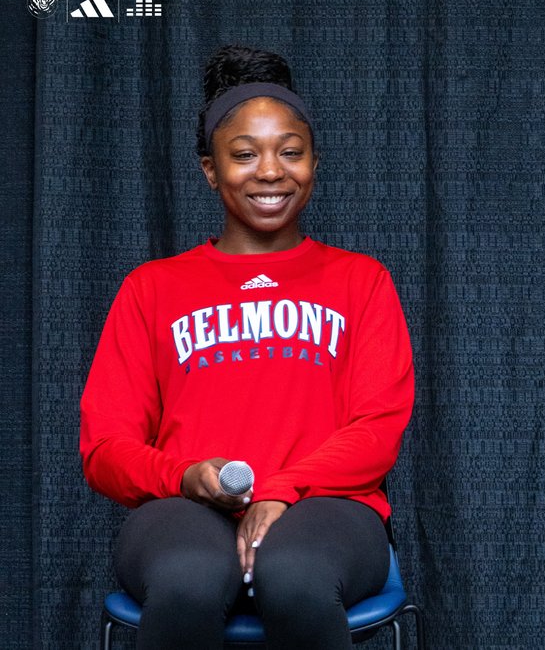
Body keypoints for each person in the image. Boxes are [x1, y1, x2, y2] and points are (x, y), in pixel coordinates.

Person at [80, 45, 415, 649]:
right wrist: (183, 476)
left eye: (290, 151)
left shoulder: (362, 281)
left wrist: (282, 489)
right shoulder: (151, 288)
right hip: (184, 509)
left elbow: (378, 430)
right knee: (186, 579)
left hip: (330, 506)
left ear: (313, 161)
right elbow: (104, 448)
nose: (270, 171)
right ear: (211, 169)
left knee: (297, 576)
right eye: (244, 154)